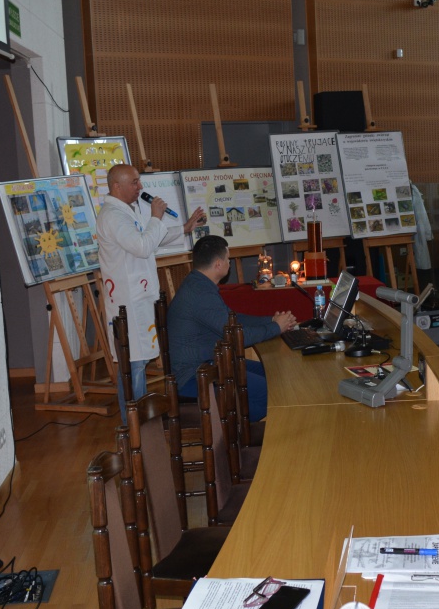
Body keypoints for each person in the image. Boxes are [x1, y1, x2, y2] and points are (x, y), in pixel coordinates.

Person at [98, 163, 206, 420]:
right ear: (117, 186)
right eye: (134, 182)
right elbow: (143, 246)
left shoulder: (126, 210)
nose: (140, 186)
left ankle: (141, 422)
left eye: (139, 180)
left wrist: (184, 228)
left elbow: (148, 237)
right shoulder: (113, 216)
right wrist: (156, 216)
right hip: (128, 302)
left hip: (139, 299)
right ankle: (135, 426)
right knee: (133, 365)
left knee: (138, 363)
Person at [167, 235, 297, 422]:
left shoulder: (198, 284)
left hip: (209, 363)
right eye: (228, 259)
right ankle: (230, 429)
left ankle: (239, 425)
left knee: (272, 374)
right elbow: (236, 336)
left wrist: (271, 321)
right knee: (268, 392)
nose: (229, 263)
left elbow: (233, 320)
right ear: (218, 264)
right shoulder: (200, 292)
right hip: (194, 376)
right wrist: (276, 327)